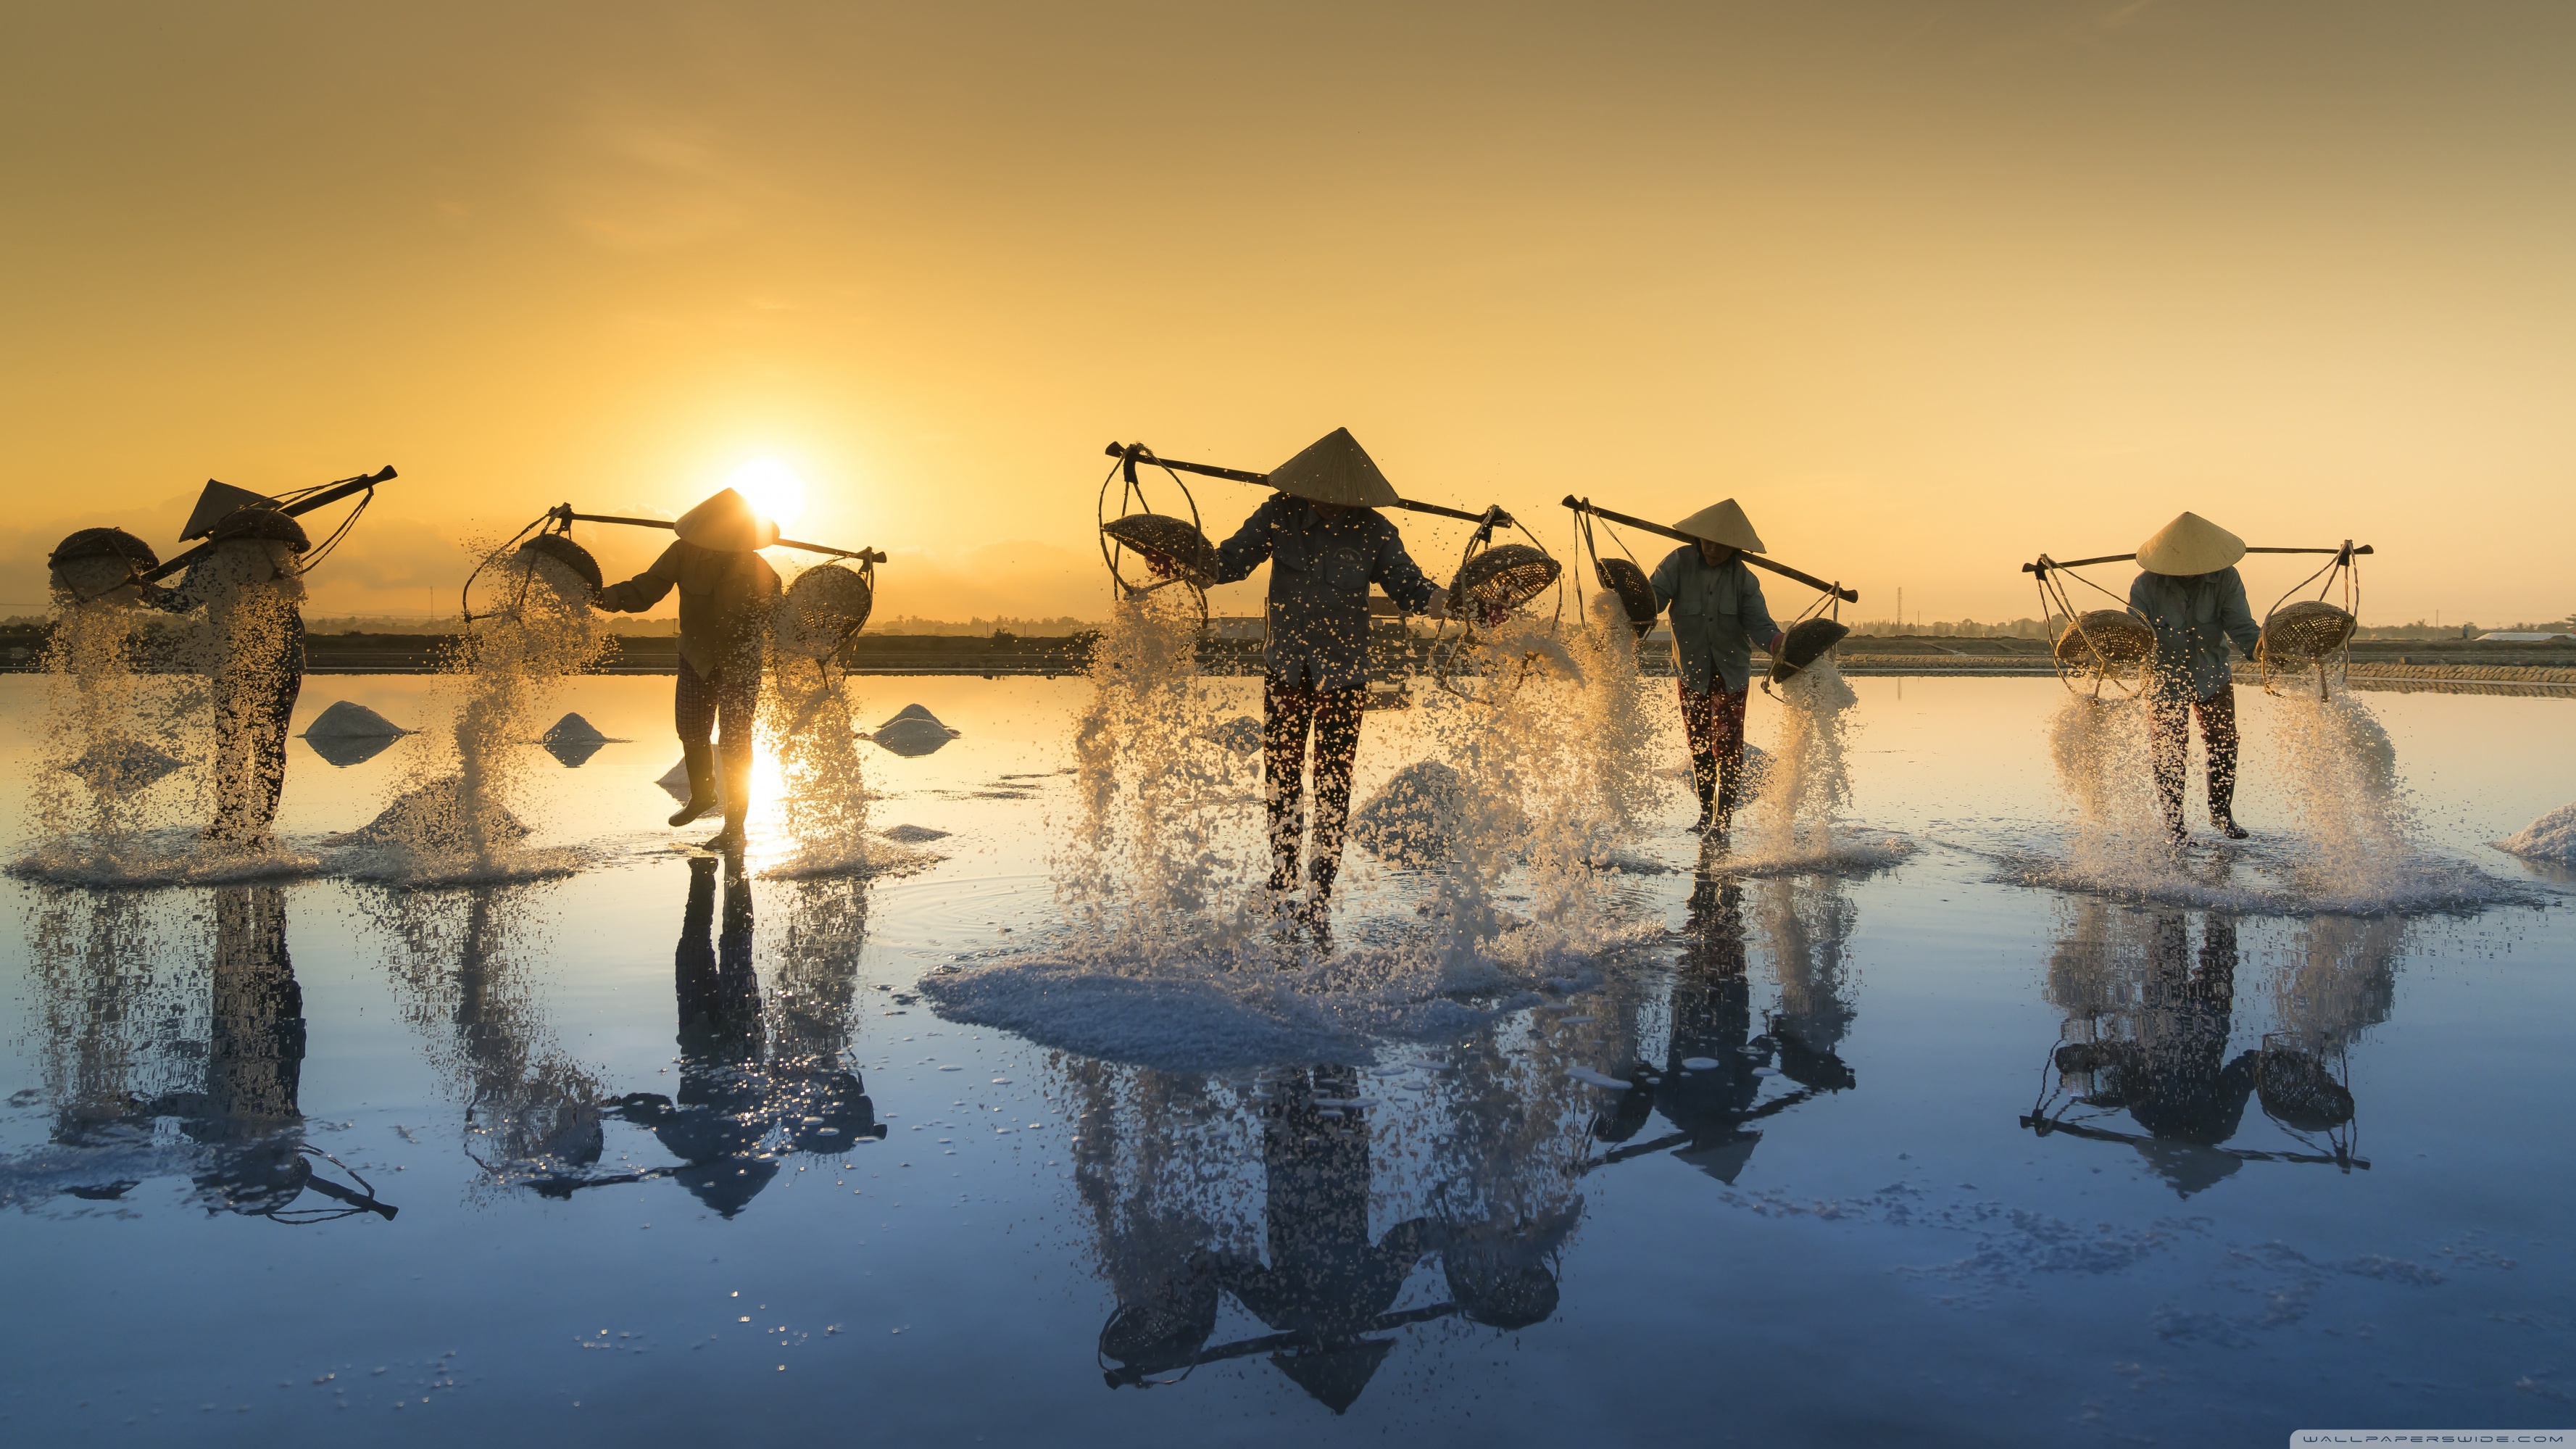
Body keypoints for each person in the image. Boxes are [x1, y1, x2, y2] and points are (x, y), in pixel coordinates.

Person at [1210, 429, 1447, 921]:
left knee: (1333, 783)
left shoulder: (1374, 530)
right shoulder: (1279, 513)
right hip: (1285, 669)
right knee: (1281, 777)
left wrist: (1449, 601)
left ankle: (1320, 891)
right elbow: (1229, 561)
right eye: (1325, 495)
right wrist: (1189, 561)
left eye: (1342, 499)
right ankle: (1282, 876)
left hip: (1343, 677)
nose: (1332, 505)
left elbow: (1409, 586)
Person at [594, 488, 783, 851]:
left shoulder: (758, 568)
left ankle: (734, 828)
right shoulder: (682, 553)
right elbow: (646, 588)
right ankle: (702, 796)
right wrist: (606, 597)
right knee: (691, 730)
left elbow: (779, 616)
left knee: (735, 742)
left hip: (740, 661)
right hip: (696, 654)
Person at [141, 505, 311, 844]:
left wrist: (146, 590)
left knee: (233, 744)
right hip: (281, 666)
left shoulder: (211, 559)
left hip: (237, 666)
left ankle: (230, 822)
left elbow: (181, 604)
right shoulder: (281, 554)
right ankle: (259, 828)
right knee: (270, 746)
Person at [1647, 500, 1786, 834]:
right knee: (1698, 745)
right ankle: (1704, 816)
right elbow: (1653, 600)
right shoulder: (1677, 564)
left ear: (1734, 547)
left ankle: (1722, 823)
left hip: (1730, 673)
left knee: (1727, 748)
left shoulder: (1744, 580)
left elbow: (1761, 627)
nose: (1712, 549)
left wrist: (1780, 644)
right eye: (1707, 541)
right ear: (1698, 539)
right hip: (1691, 671)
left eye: (1721, 544)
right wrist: (1628, 602)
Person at [2128, 511, 2262, 845]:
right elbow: (2135, 633)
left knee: (2224, 743)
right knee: (2169, 750)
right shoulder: (2146, 584)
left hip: (2212, 672)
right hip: (2163, 677)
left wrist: (2265, 652)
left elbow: (2242, 627)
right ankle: (2175, 825)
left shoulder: (2226, 578)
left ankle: (2220, 813)